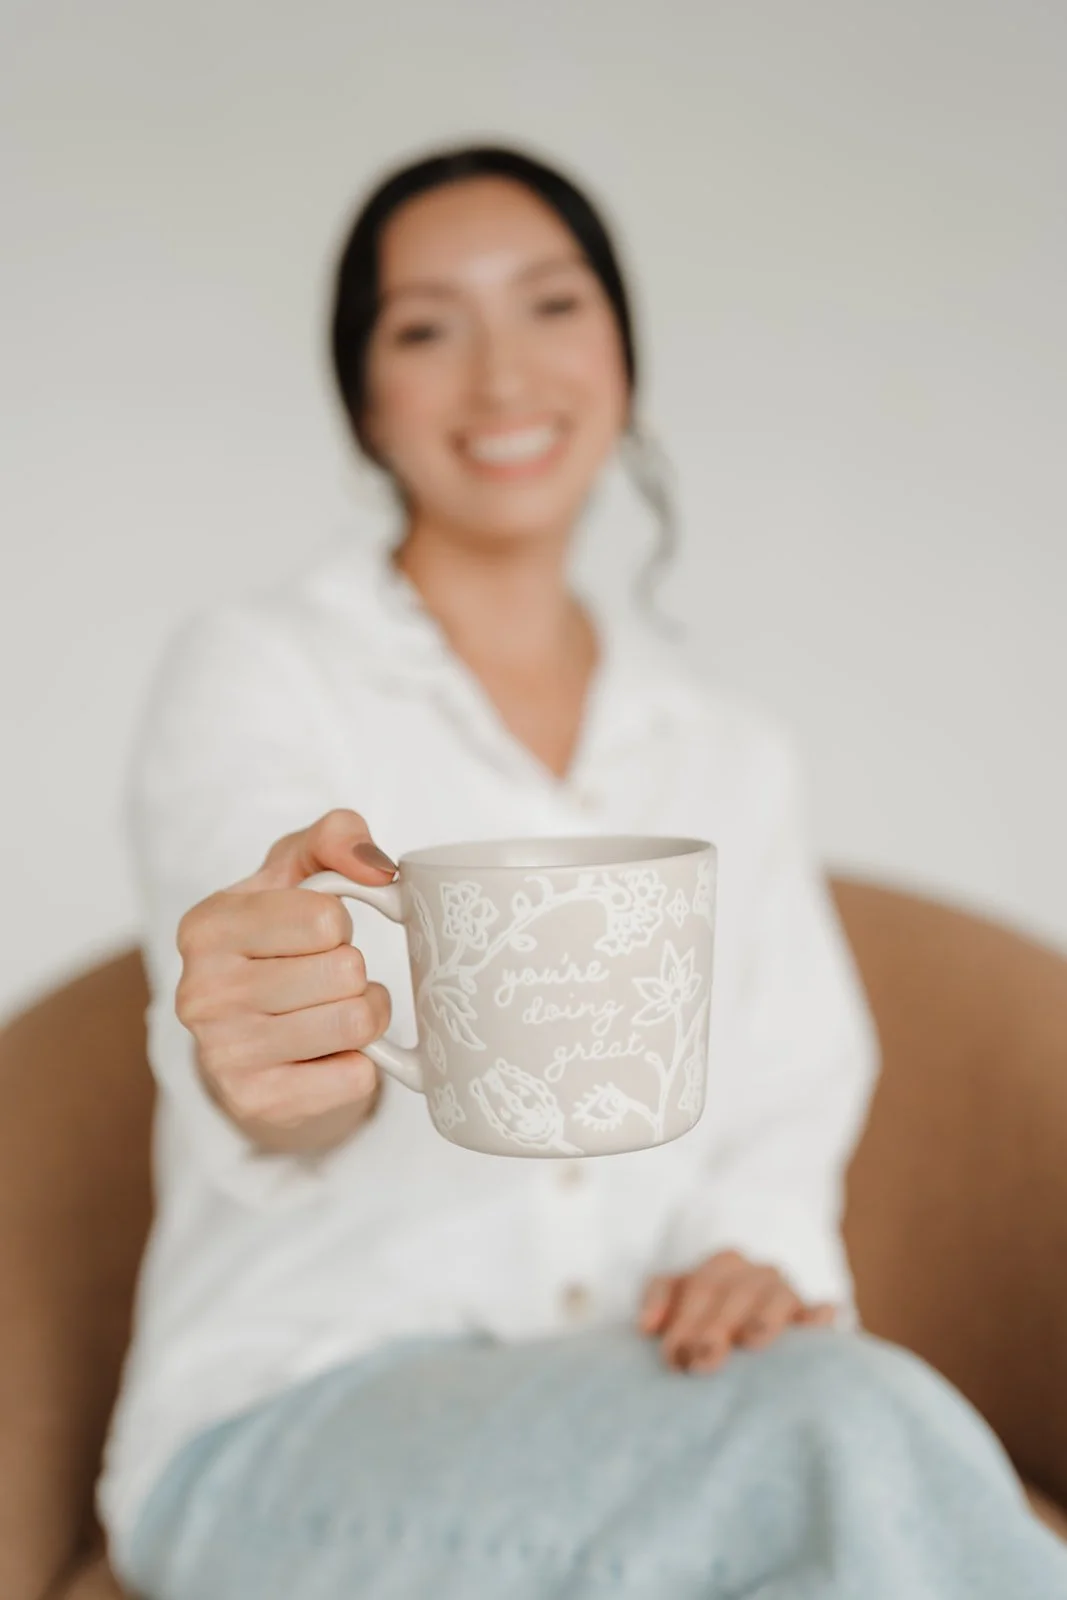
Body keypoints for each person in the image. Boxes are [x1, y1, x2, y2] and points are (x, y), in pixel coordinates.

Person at [99, 145, 1067, 1598]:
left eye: (550, 306)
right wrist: (272, 1046)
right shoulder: (260, 677)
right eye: (427, 327)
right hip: (294, 1429)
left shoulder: (727, 751)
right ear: (365, 400)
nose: (501, 378)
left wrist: (750, 1252)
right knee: (847, 1443)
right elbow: (260, 977)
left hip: (647, 1402)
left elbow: (792, 1089)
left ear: (620, 349)